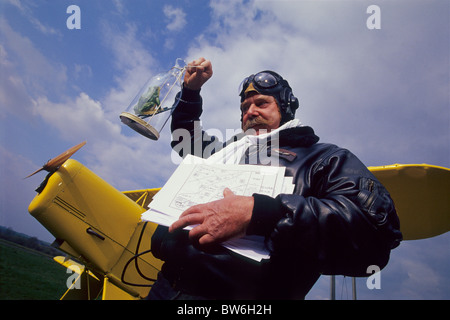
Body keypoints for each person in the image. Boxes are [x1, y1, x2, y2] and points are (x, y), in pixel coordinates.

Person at [147, 57, 402, 300]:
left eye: (261, 103)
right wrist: (190, 92)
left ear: (286, 108)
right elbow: (186, 140)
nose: (250, 111)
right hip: (164, 286)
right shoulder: (226, 152)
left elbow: (373, 231)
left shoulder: (323, 157)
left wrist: (262, 213)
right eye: (245, 107)